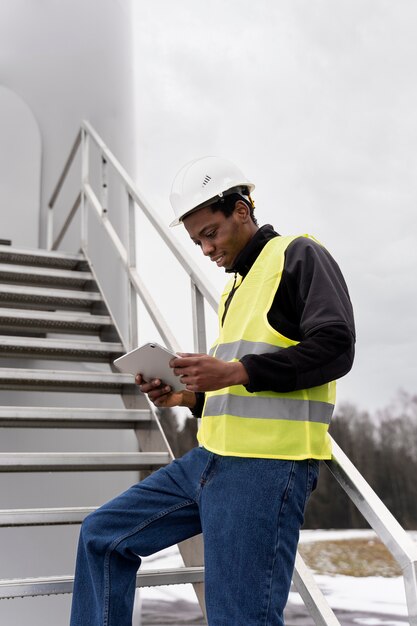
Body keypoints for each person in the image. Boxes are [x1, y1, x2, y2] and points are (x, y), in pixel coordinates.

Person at [70, 156, 355, 626]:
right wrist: (187, 397)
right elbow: (241, 385)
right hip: (208, 460)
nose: (205, 249)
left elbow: (336, 348)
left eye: (210, 233)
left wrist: (235, 371)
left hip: (265, 470)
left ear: (241, 209)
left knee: (237, 618)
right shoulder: (235, 288)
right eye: (196, 240)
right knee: (102, 536)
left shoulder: (298, 255)